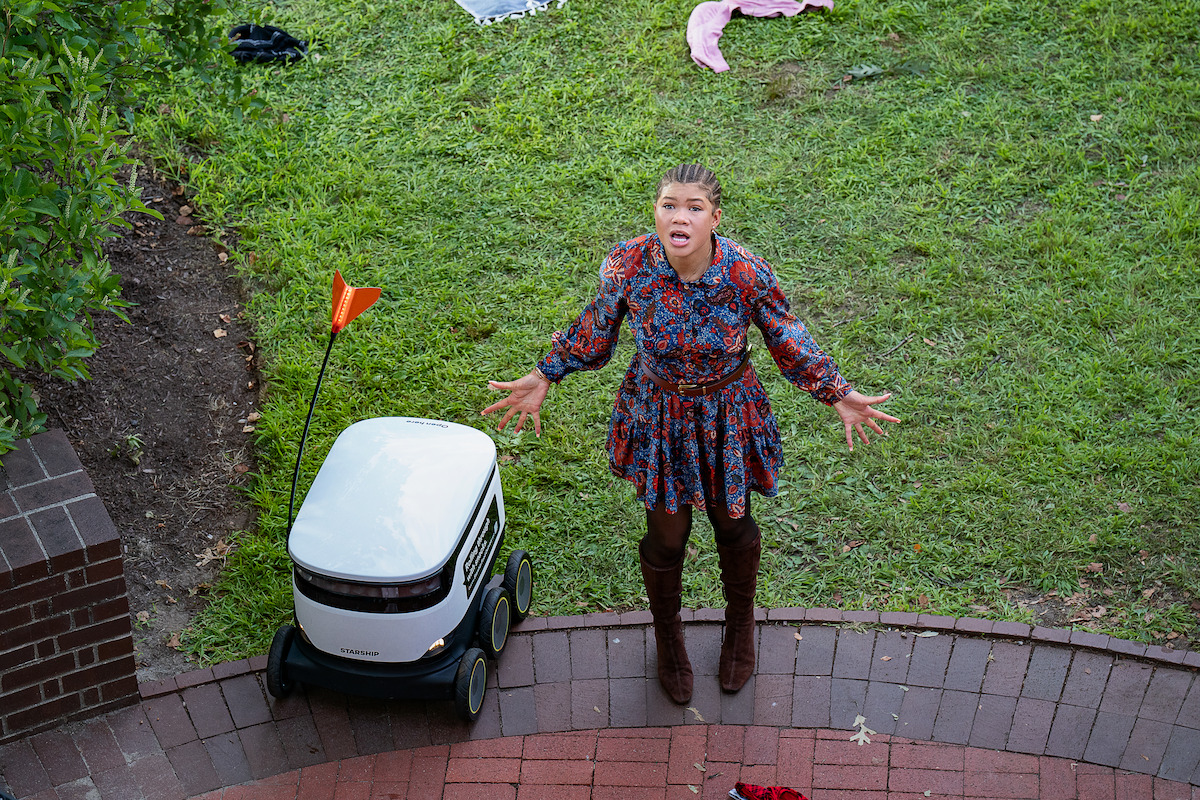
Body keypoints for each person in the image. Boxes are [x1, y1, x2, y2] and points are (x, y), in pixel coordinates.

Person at [482, 163, 899, 705]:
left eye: (694, 207)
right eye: (669, 205)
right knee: (667, 534)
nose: (679, 216)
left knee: (733, 522)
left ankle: (740, 626)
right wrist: (544, 375)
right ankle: (669, 639)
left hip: (728, 413)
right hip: (659, 416)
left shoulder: (745, 272)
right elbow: (595, 329)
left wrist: (837, 392)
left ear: (714, 218)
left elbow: (787, 337)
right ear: (656, 212)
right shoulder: (630, 264)